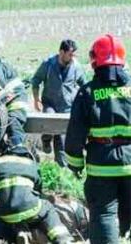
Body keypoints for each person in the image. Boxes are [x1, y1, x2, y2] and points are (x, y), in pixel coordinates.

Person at [65, 34, 131, 243]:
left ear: (95, 60)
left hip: (101, 165)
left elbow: (75, 134)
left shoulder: (87, 93)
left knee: (104, 214)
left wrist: (75, 164)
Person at [31, 39, 85, 167]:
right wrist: (36, 99)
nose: (72, 57)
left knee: (61, 137)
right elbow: (36, 81)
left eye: (74, 55)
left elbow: (84, 85)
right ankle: (46, 139)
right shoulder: (48, 65)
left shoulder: (76, 67)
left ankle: (62, 167)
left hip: (67, 106)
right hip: (50, 103)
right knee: (49, 124)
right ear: (61, 52)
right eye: (70, 54)